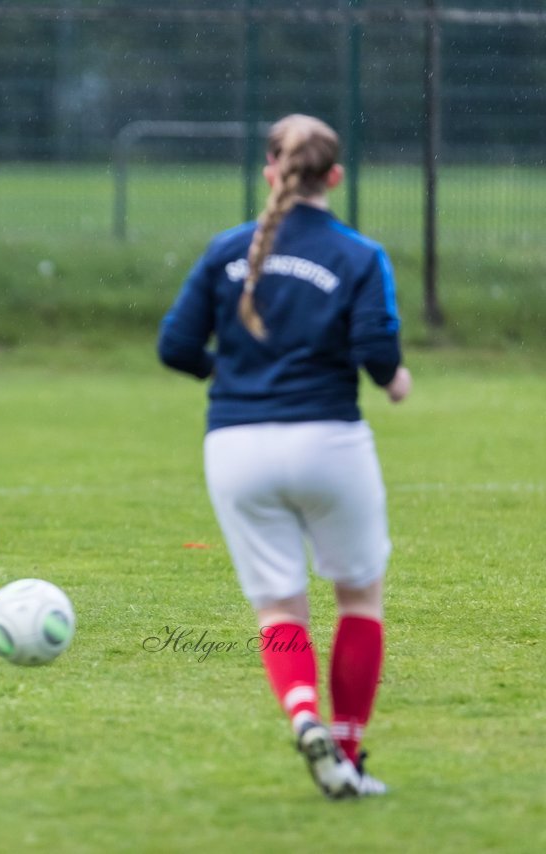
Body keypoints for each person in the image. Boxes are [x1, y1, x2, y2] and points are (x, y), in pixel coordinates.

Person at [157, 114, 412, 799]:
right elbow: (376, 350)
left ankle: (303, 712)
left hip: (236, 446)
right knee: (359, 595)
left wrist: (236, 378)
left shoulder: (225, 250)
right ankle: (350, 753)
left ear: (269, 172)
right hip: (328, 440)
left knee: (279, 610)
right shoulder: (358, 254)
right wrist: (394, 380)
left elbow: (175, 348)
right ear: (334, 176)